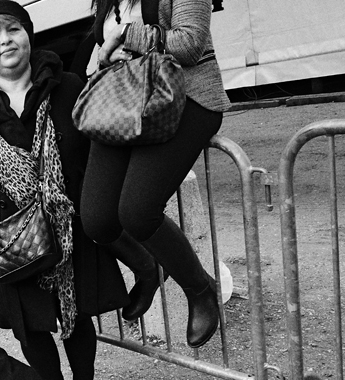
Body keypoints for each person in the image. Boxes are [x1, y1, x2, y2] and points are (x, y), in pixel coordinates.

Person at [0, 1, 127, 380]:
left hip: (70, 233)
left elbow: (103, 150)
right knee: (31, 328)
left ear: (28, 35)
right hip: (8, 243)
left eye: (13, 29)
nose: (5, 40)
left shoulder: (67, 87)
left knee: (76, 316)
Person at [80, 0, 233, 348]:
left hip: (184, 97)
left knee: (137, 211)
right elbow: (103, 50)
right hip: (127, 97)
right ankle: (148, 268)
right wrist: (104, 58)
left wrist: (124, 35)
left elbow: (191, 43)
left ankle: (201, 288)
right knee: (97, 219)